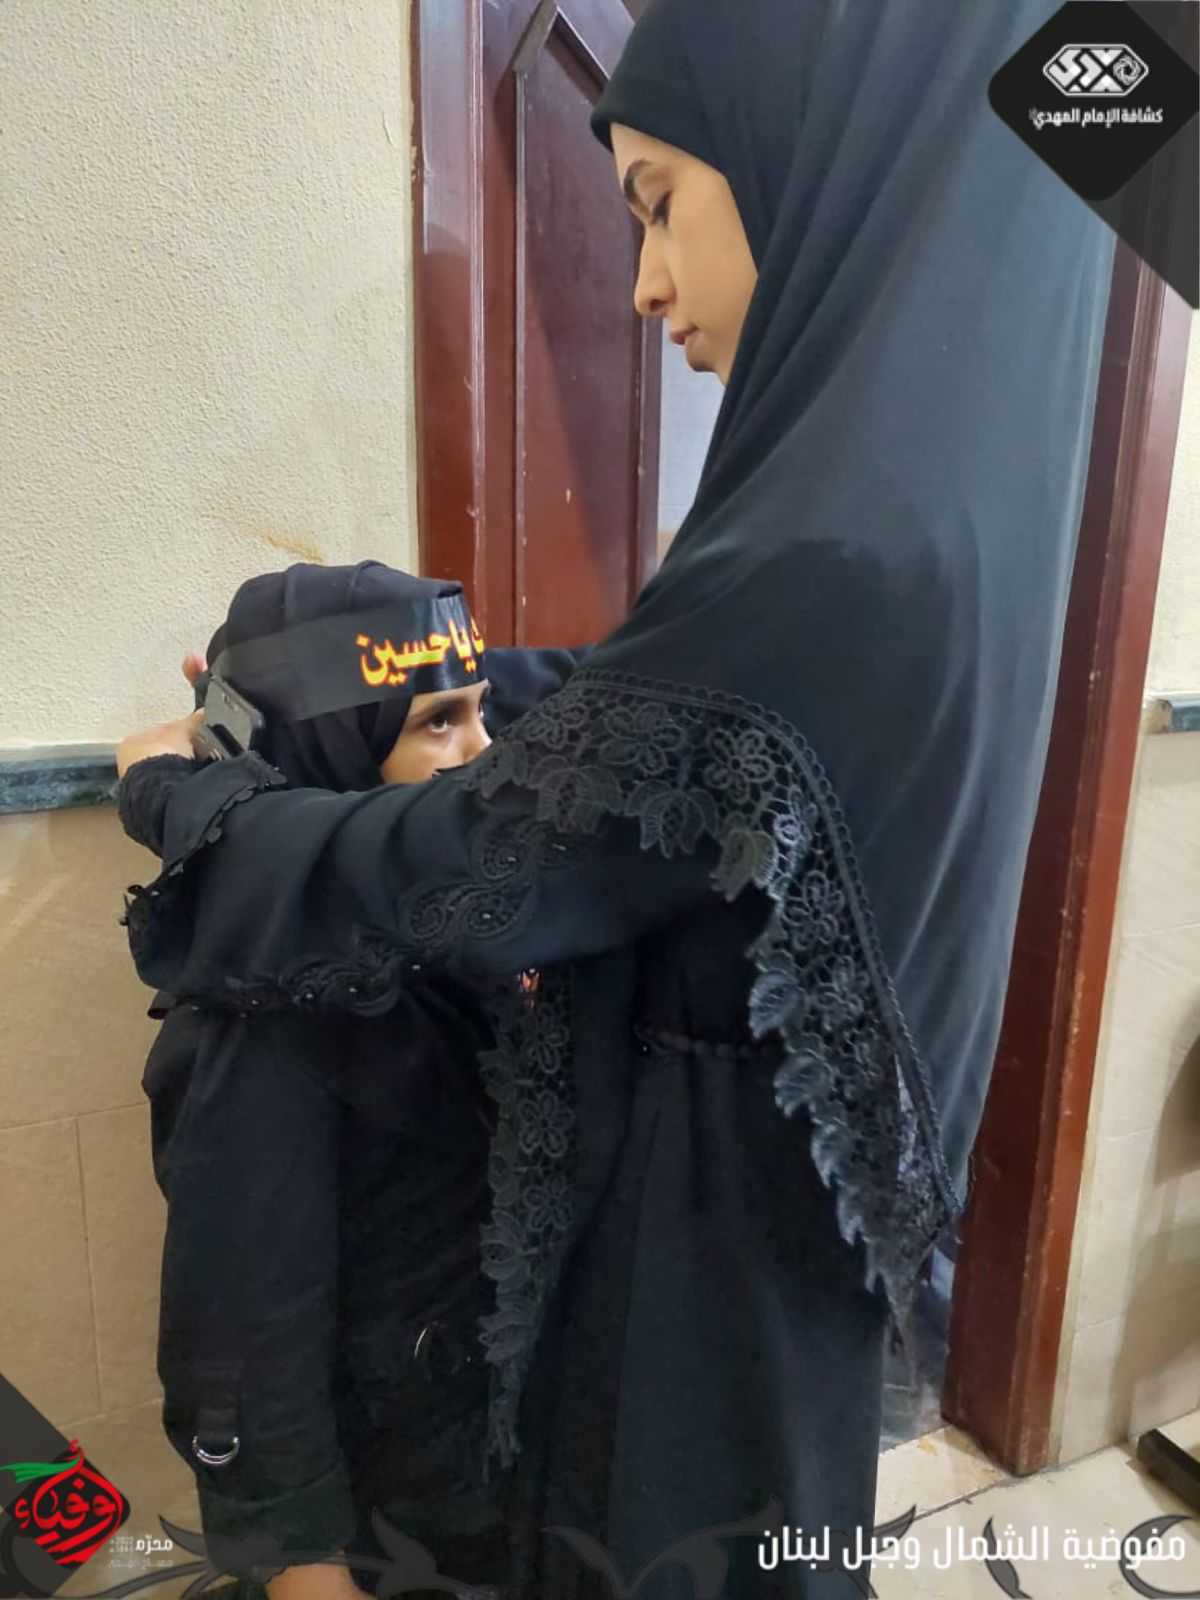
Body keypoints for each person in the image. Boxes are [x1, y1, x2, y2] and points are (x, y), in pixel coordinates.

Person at [115, 1, 1115, 1592]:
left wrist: (187, 809)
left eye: (657, 202)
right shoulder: (944, 506)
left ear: (806, 166)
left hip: (698, 1290)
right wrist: (401, 675)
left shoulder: (818, 558)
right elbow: (645, 709)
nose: (644, 283)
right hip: (754, 1273)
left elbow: (490, 854)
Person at [119, 561, 581, 1600]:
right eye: (439, 724)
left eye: (482, 712)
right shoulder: (271, 1015)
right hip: (389, 1526)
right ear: (331, 750)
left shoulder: (446, 938)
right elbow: (246, 1337)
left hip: (497, 1482)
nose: (486, 754)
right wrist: (306, 1571)